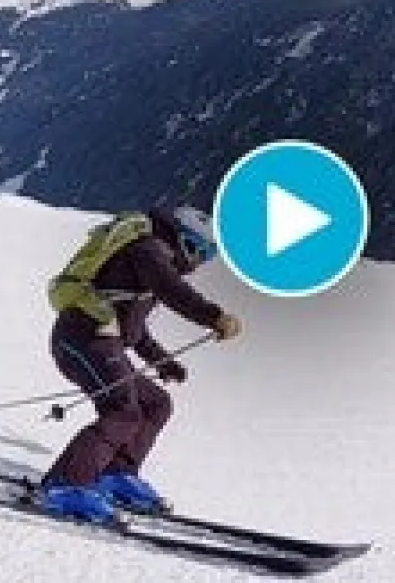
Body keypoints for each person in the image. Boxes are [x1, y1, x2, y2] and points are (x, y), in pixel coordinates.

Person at [38, 205, 242, 525]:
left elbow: (133, 329)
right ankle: (66, 485)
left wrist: (162, 361)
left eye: (208, 256)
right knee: (122, 410)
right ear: (184, 240)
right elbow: (173, 291)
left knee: (155, 403)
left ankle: (115, 475)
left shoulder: (153, 259)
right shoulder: (148, 250)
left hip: (101, 343)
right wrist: (214, 317)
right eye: (201, 252)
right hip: (80, 341)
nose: (199, 262)